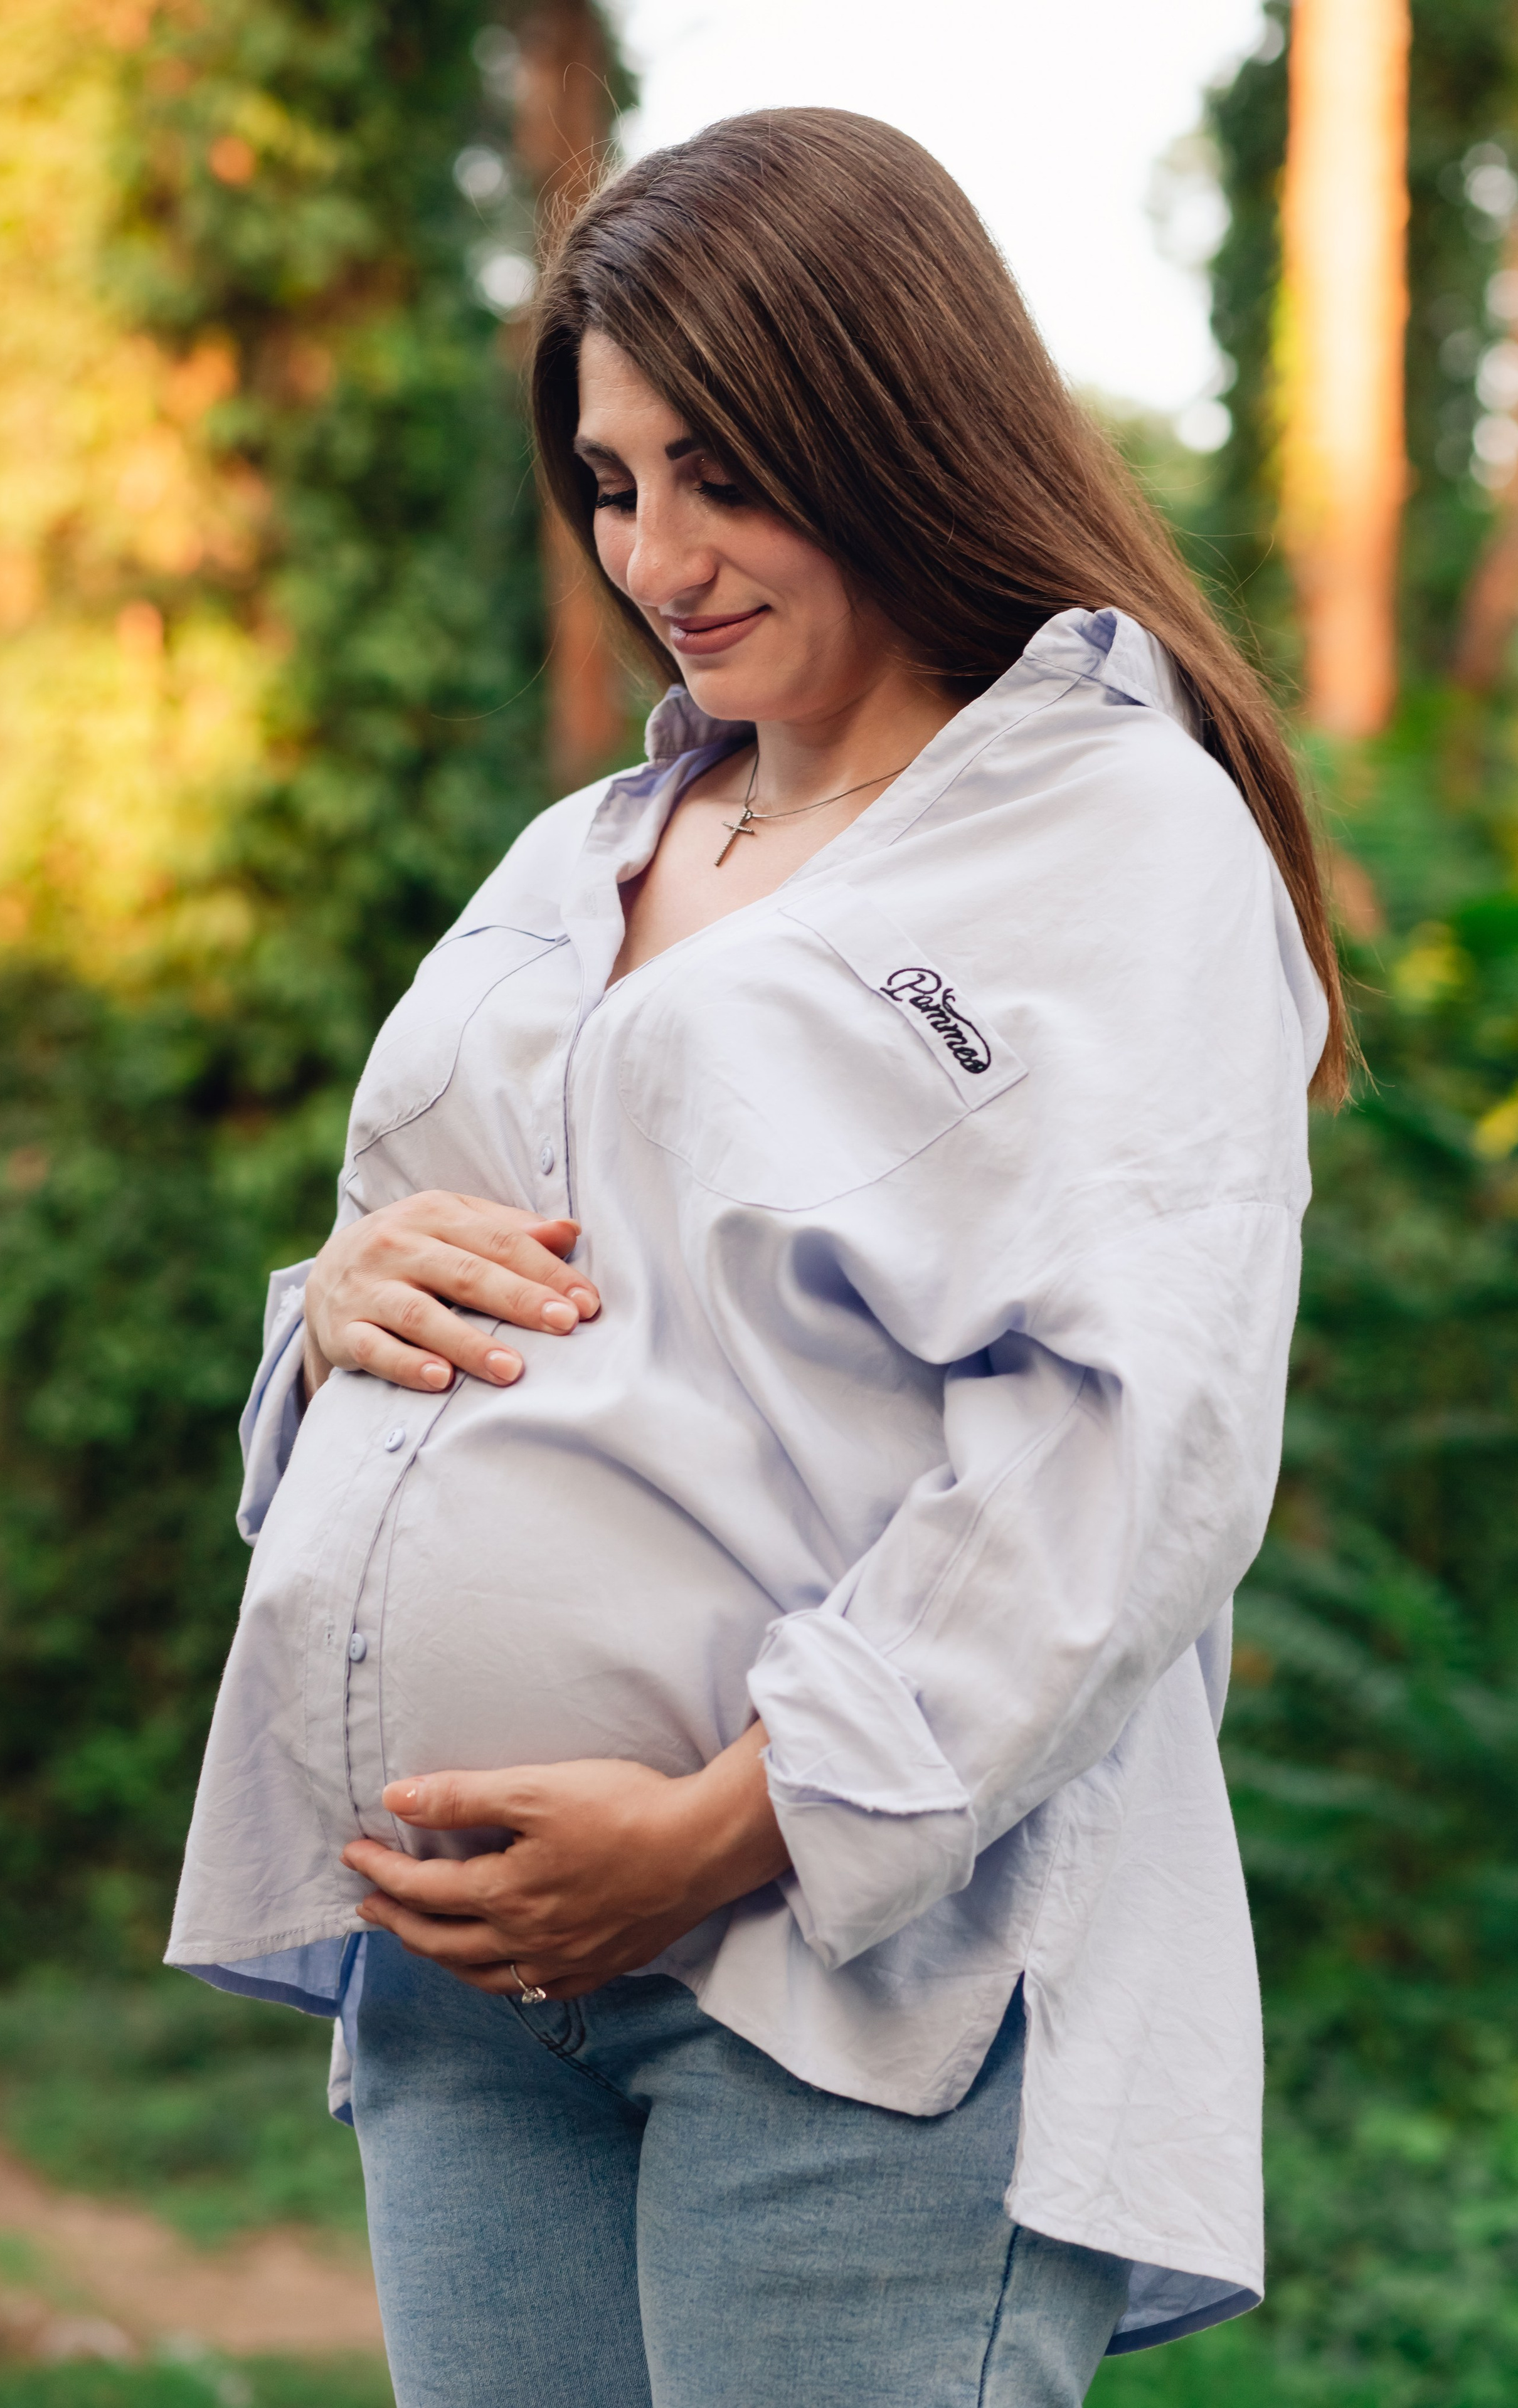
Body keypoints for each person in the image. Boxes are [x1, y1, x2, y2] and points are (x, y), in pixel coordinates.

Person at [167, 107, 1343, 2408]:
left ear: (888, 419)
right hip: (467, 1973)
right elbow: (451, 1287)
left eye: (722, 469)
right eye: (611, 485)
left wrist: (729, 1827)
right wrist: (338, 1316)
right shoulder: (593, 842)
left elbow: (1133, 1451)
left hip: (844, 1985)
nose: (658, 554)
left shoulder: (1109, 832)